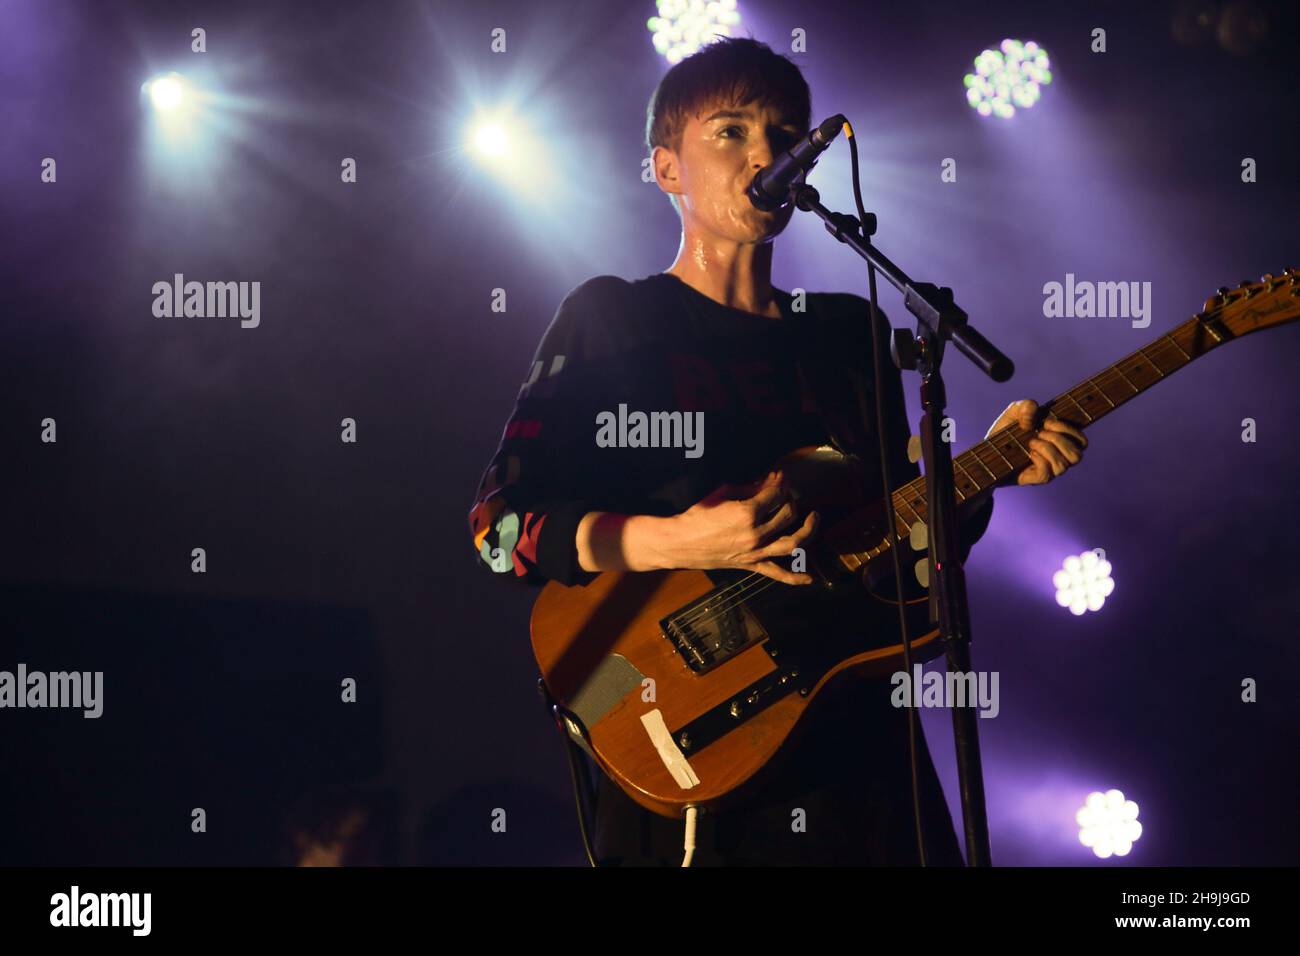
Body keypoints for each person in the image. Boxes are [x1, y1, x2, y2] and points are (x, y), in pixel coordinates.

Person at [467, 37, 1087, 865]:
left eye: (785, 133)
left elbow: (894, 560)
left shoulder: (848, 330)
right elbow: (498, 529)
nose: (767, 153)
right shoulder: (613, 318)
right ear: (668, 169)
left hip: (853, 737)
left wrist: (981, 479)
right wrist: (681, 540)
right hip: (683, 722)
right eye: (731, 130)